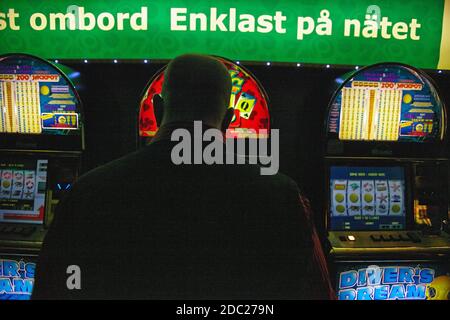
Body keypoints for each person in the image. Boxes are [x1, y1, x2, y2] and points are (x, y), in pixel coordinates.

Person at [32, 54, 334, 299]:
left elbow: (53, 288)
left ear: (158, 107)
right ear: (228, 121)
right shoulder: (284, 195)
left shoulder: (88, 191)